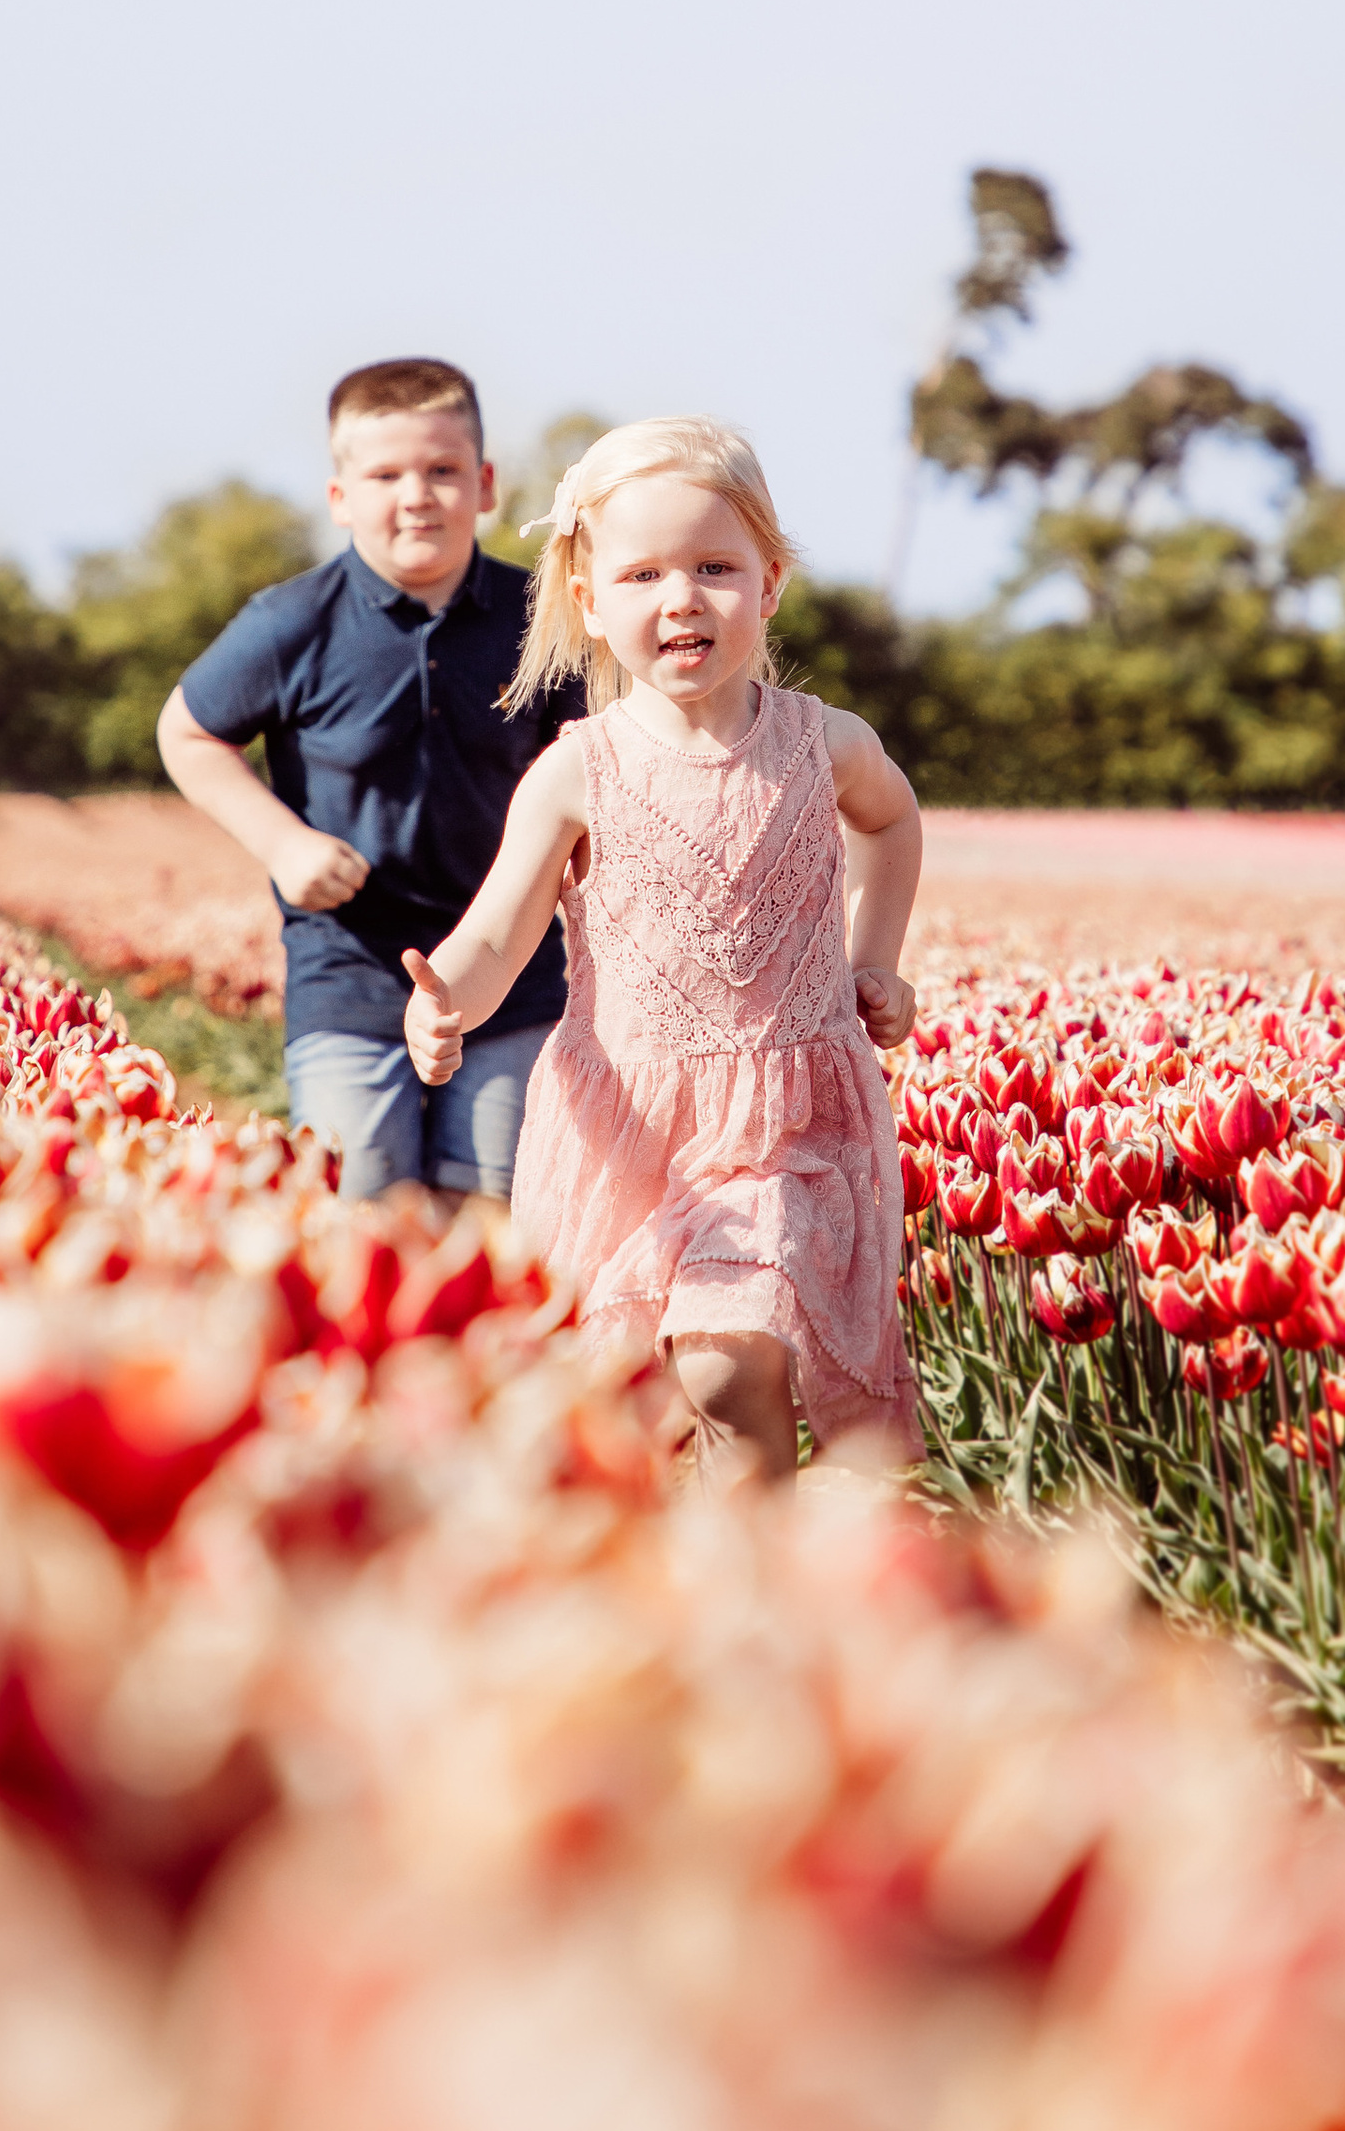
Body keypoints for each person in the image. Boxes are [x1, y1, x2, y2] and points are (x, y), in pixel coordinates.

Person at [400, 416, 922, 1488]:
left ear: (768, 586)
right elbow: (501, 927)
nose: (680, 597)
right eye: (641, 574)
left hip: (790, 1120)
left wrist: (878, 959)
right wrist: (444, 996)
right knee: (641, 1405)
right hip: (629, 1131)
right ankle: (696, 1589)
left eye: (713, 567)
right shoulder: (576, 773)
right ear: (591, 605)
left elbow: (894, 823)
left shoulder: (825, 745)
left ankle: (765, 1591)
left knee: (731, 1366)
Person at [157, 359, 583, 1203]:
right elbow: (188, 731)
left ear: (486, 484)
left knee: (495, 1205)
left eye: (442, 471)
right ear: (340, 497)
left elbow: (593, 757)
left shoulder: (543, 620)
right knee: (363, 1201)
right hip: (348, 972)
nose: (416, 495)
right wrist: (283, 841)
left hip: (510, 972)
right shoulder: (291, 623)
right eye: (385, 475)